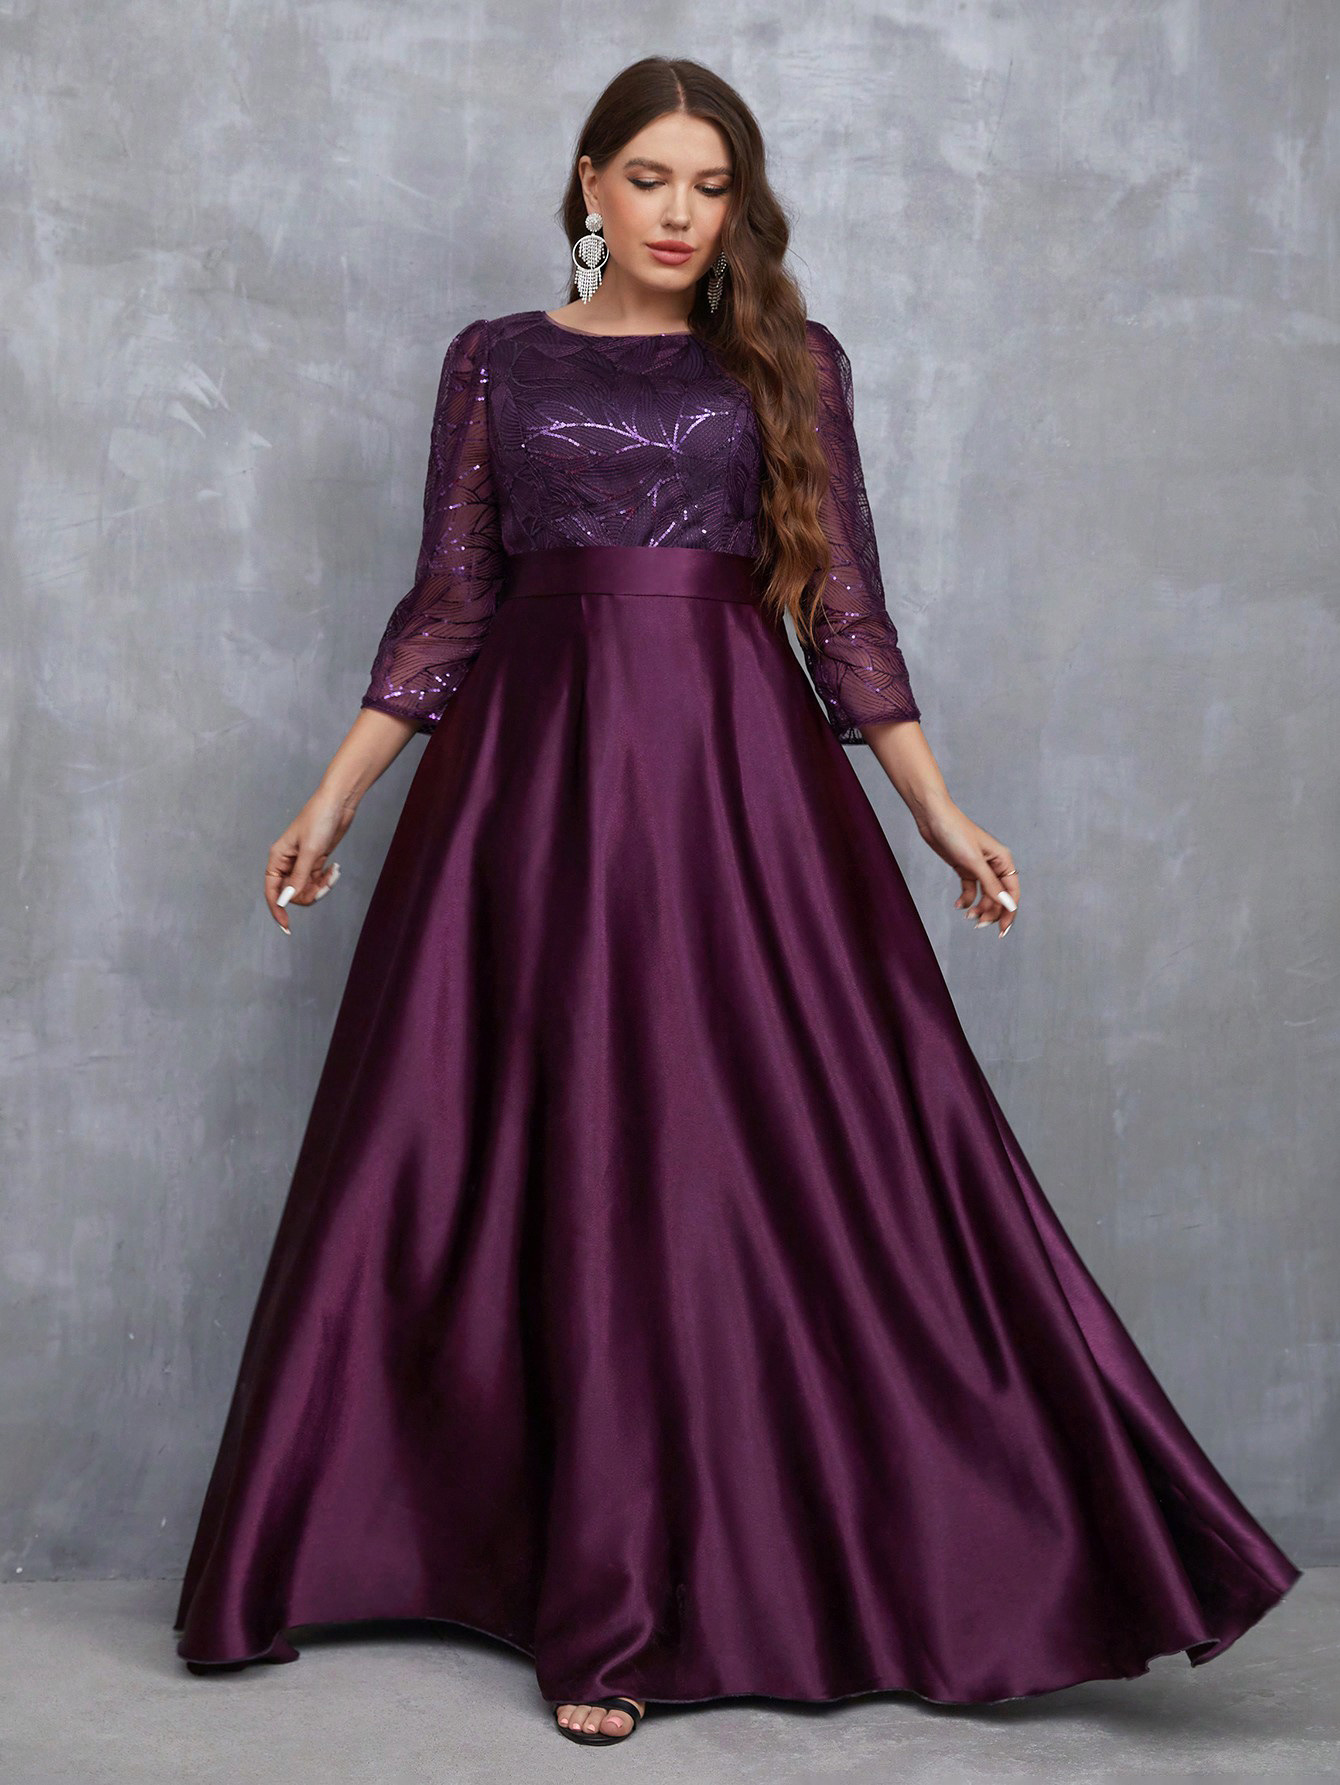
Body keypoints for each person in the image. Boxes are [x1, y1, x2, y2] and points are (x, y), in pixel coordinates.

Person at [173, 56, 1300, 1750]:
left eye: (712, 185)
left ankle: (730, 1576)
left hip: (736, 787)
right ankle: (559, 1576)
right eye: (650, 178)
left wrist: (934, 810)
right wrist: (331, 799)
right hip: (527, 796)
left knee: (740, 1156)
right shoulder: (494, 361)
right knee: (532, 1152)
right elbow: (451, 601)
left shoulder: (790, 360)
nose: (681, 213)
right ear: (588, 183)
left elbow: (844, 610)